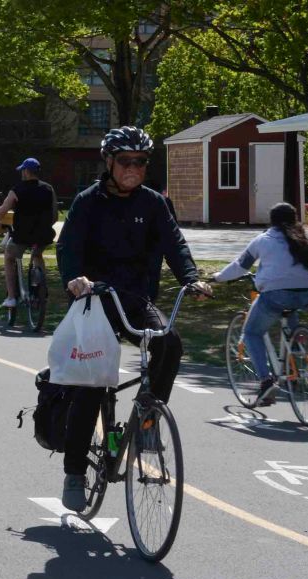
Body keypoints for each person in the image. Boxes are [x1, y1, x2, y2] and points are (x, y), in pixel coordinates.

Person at [55, 126, 211, 511]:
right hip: (96, 301)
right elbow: (68, 248)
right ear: (109, 163)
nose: (133, 168)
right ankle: (74, 473)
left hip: (137, 300)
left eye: (141, 162)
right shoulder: (88, 202)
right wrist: (74, 279)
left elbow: (175, 244)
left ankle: (147, 419)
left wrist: (191, 278)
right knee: (92, 385)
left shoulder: (154, 203)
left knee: (169, 343)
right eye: (125, 161)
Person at [214, 202, 308, 404]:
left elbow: (240, 266)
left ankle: (266, 382)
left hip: (276, 293)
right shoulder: (303, 240)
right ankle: (296, 352)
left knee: (252, 332)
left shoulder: (263, 240)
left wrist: (218, 277)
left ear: (271, 221)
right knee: (290, 309)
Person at [0, 157, 58, 309]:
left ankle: (11, 297)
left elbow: (3, 208)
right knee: (37, 255)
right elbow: (54, 214)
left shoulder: (17, 189)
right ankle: (42, 289)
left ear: (26, 172)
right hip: (44, 234)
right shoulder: (49, 188)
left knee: (9, 257)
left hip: (22, 235)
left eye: (23, 170)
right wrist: (45, 225)